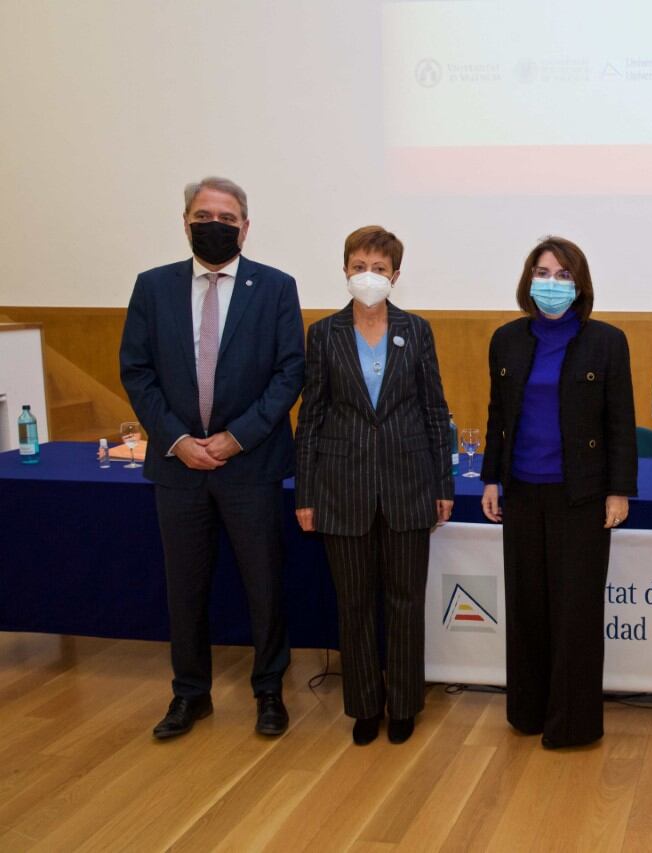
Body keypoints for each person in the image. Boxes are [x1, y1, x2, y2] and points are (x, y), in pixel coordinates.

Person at [120, 177, 304, 739]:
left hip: (250, 464)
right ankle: (189, 695)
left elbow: (289, 372)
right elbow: (137, 371)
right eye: (204, 215)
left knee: (264, 585)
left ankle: (269, 691)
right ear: (185, 221)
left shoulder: (274, 287)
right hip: (179, 466)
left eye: (227, 217)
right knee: (184, 586)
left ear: (245, 227)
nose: (215, 225)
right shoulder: (152, 288)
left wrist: (235, 437)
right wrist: (177, 440)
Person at [294, 226, 454, 745]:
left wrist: (443, 484)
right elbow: (311, 417)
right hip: (342, 488)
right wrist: (306, 494)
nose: (368, 276)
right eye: (359, 266)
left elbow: (434, 410)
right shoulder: (323, 334)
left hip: (409, 485)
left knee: (407, 600)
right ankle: (365, 705)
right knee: (355, 602)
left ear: (395, 276)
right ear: (345, 270)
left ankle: (405, 703)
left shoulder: (417, 329)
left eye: (379, 269)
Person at [480, 236, 637, 748]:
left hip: (582, 496)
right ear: (528, 280)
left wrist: (619, 491)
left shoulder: (606, 341)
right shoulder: (506, 338)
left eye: (563, 275)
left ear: (581, 284)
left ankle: (572, 725)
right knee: (527, 608)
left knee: (576, 613)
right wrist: (490, 478)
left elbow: (621, 422)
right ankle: (527, 713)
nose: (551, 283)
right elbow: (497, 414)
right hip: (521, 490)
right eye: (542, 273)